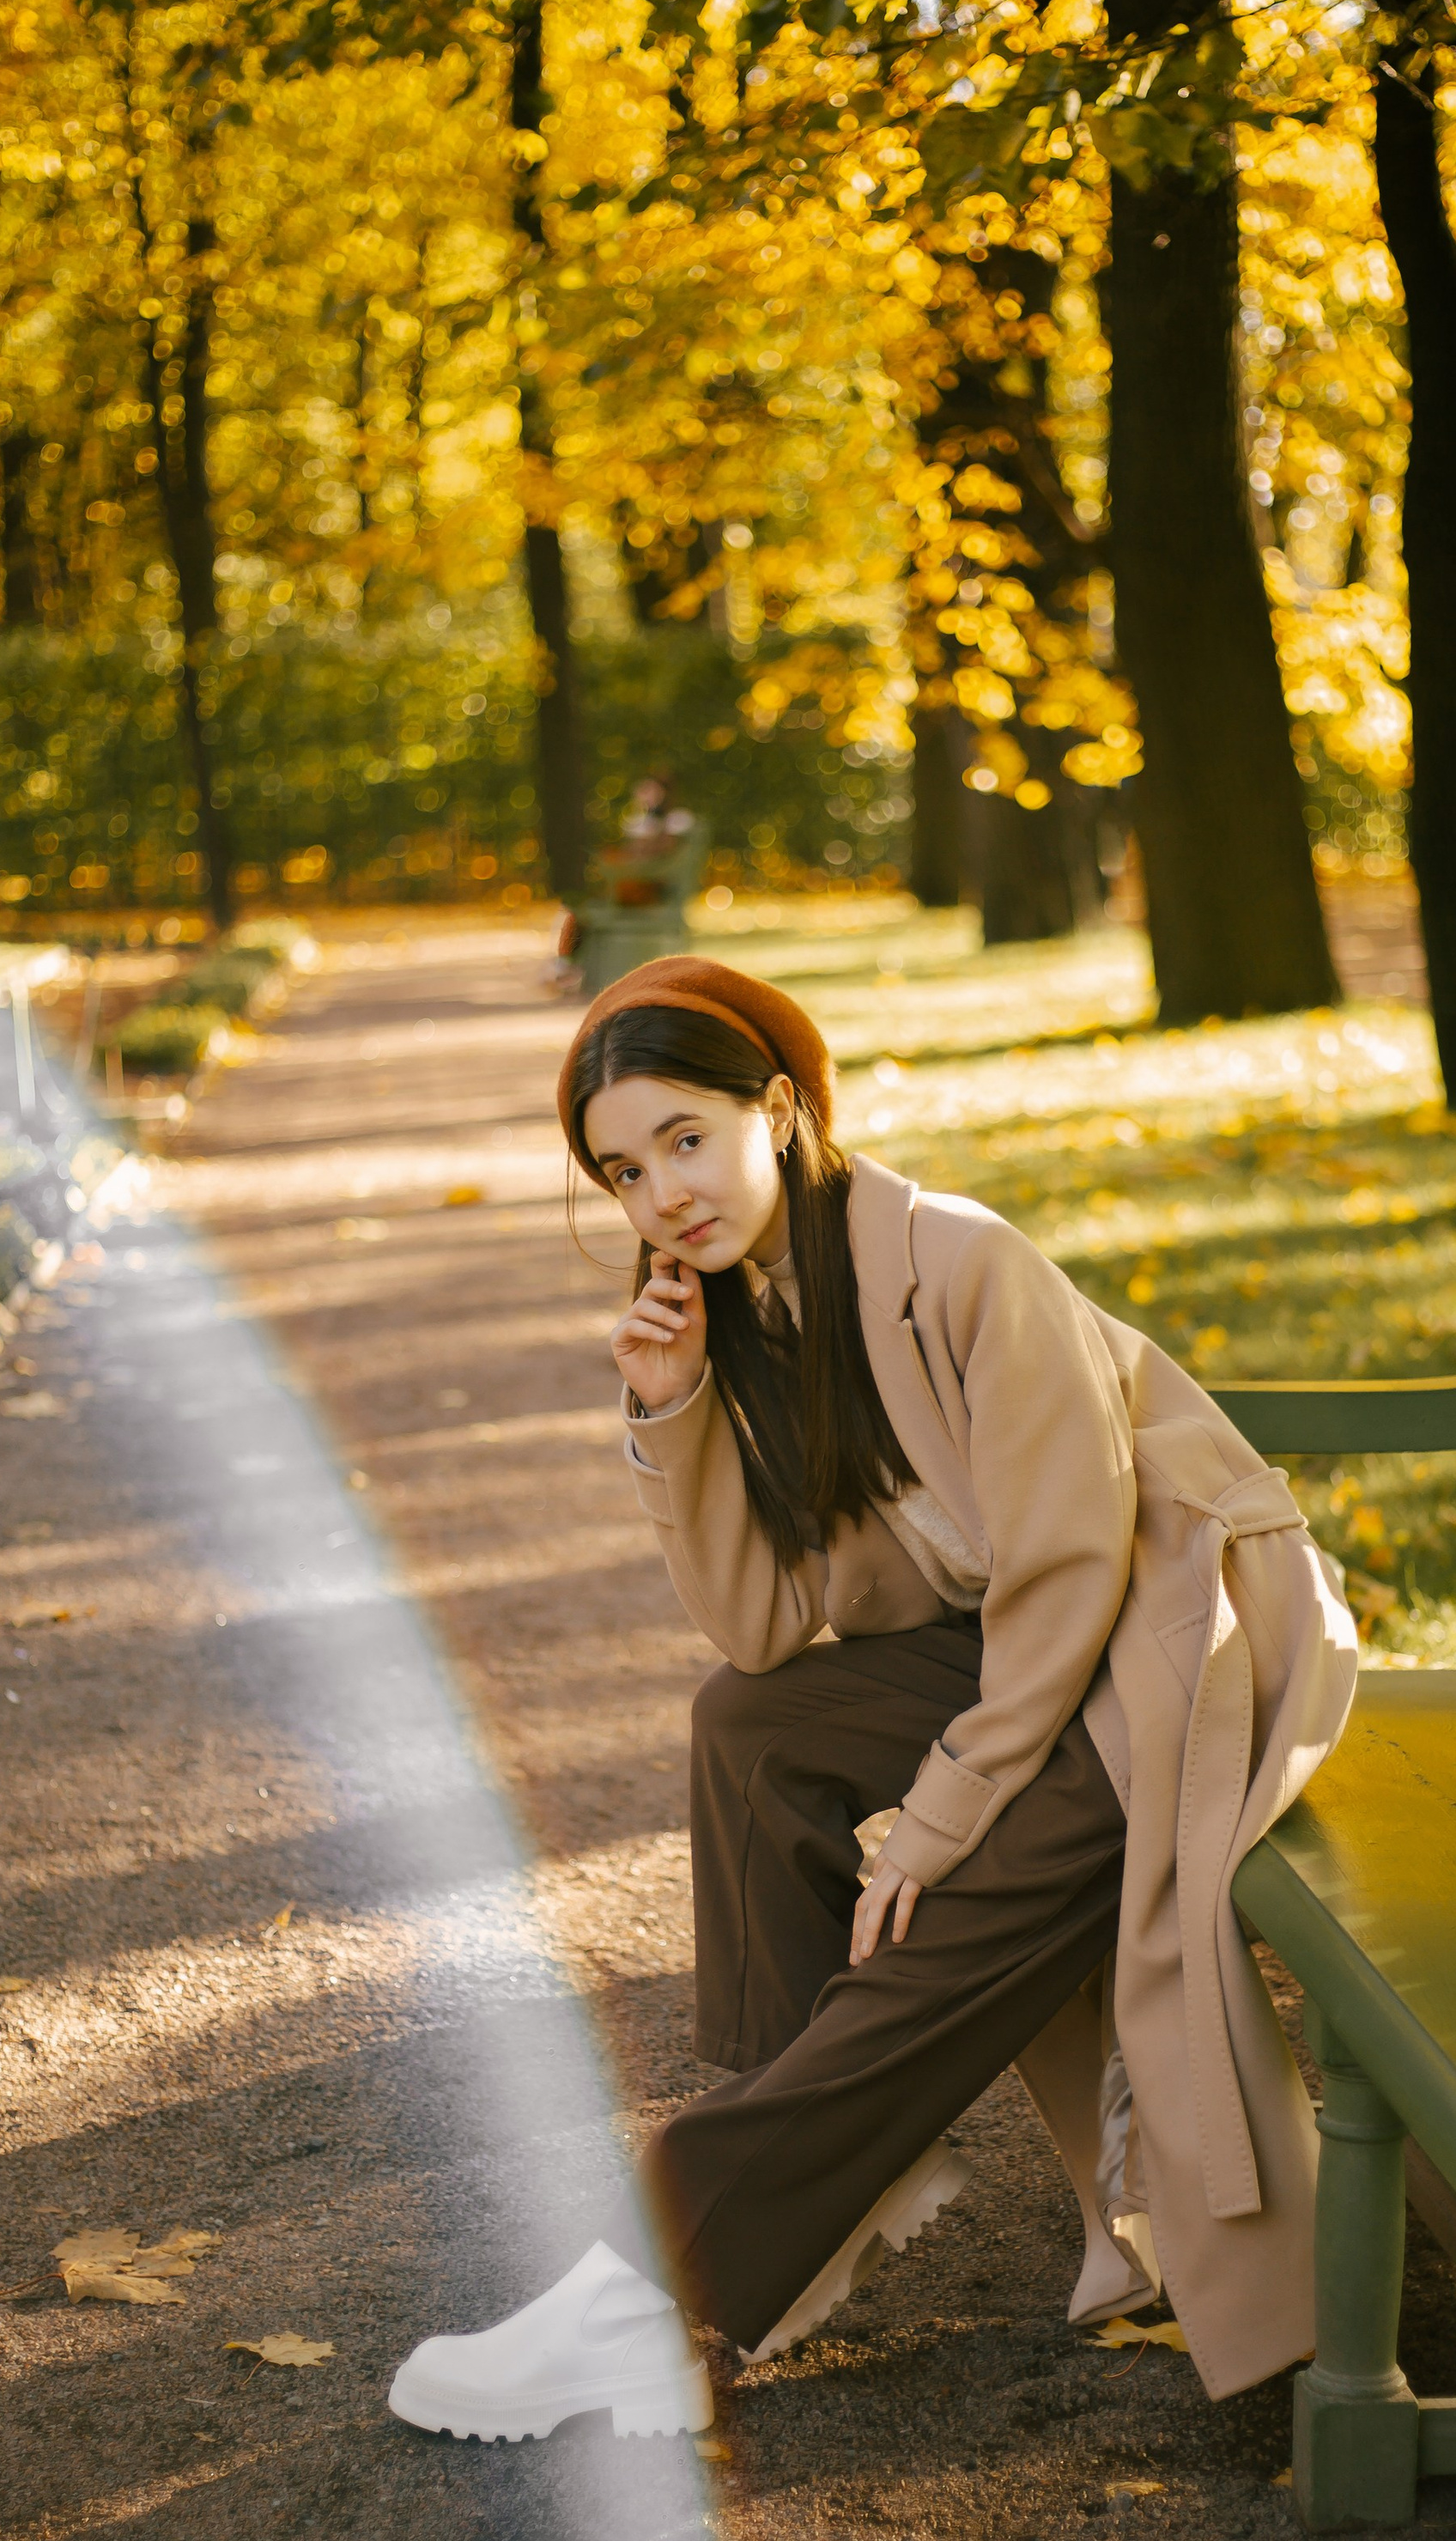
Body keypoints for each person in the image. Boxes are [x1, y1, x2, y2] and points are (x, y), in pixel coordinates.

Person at [387, 955, 1357, 2447]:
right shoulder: (756, 1316)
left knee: (944, 1909)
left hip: (1175, 1647)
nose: (666, 1196)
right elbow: (763, 1632)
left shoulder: (961, 1260)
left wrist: (939, 1817)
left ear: (780, 1107)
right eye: (627, 1172)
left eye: (688, 1141)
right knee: (745, 1728)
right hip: (1037, 1653)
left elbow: (1076, 1563)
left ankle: (672, 2292)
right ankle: (827, 2179)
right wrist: (675, 1409)